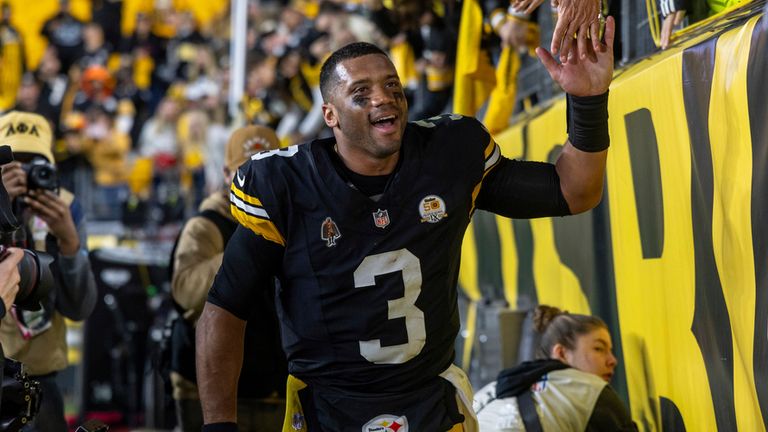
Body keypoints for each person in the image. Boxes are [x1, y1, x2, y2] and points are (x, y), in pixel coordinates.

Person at [197, 16, 615, 431]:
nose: (383, 98)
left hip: (431, 400)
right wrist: (219, 426)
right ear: (330, 115)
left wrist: (588, 102)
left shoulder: (448, 154)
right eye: (361, 93)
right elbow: (224, 310)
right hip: (327, 407)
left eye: (392, 86)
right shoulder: (286, 184)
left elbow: (574, 191)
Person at [170, 125, 287, 431]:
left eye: (268, 169)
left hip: (276, 386)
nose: (258, 181)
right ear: (226, 174)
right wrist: (246, 246)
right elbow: (184, 292)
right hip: (212, 393)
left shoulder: (290, 220)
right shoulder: (205, 225)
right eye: (246, 171)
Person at [0, 111, 97, 431]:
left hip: (44, 379)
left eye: (34, 163)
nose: (24, 173)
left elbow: (79, 308)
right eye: (14, 162)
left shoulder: (66, 206)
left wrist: (69, 243)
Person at [473, 305, 637, 431]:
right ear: (561, 353)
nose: (612, 360)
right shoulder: (589, 389)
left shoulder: (490, 391)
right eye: (599, 349)